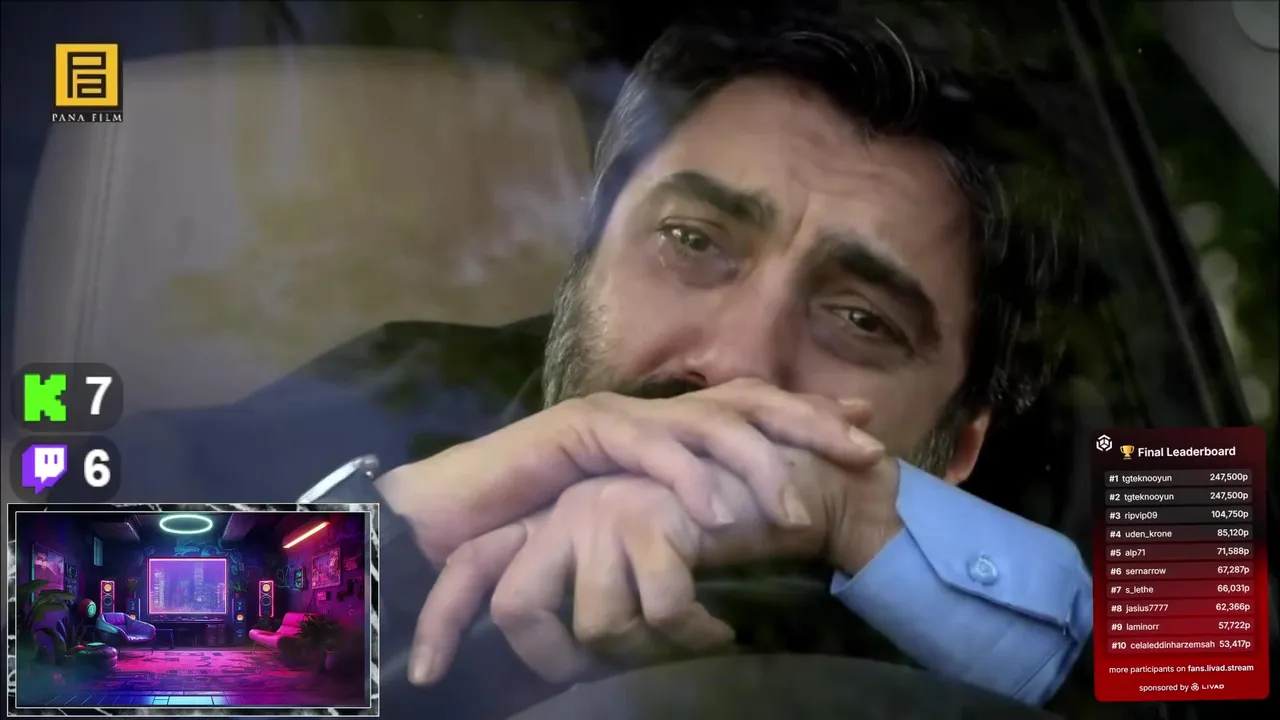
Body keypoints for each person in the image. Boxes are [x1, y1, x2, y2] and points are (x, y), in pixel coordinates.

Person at [73, 6, 1091, 715]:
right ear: (581, 268)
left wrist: (854, 517)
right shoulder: (406, 397)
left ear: (960, 447)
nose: (736, 364)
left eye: (860, 320)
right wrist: (394, 540)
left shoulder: (1069, 553)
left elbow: (1181, 665)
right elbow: (55, 643)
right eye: (691, 242)